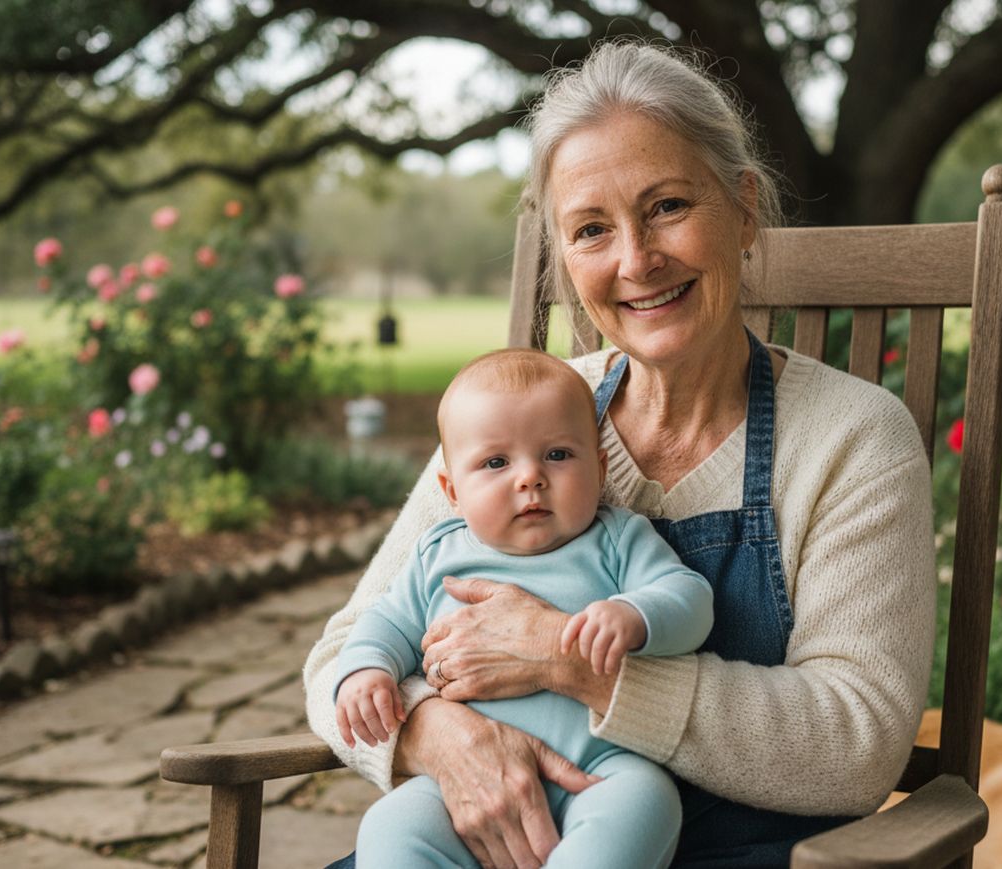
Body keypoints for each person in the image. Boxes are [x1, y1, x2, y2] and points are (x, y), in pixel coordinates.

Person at [305, 38, 936, 869]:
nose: (636, 261)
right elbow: (342, 652)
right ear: (565, 258)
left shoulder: (853, 436)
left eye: (669, 206)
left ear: (742, 207)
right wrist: (435, 731)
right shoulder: (516, 421)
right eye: (593, 228)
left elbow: (858, 741)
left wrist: (574, 666)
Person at [335, 348, 713, 868]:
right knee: (392, 824)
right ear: (451, 491)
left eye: (558, 455)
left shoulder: (617, 538)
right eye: (496, 463)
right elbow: (385, 623)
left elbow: (688, 598)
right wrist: (366, 670)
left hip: (601, 769)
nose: (530, 477)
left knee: (645, 800)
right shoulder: (439, 554)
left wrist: (635, 614)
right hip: (461, 788)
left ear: (600, 468)